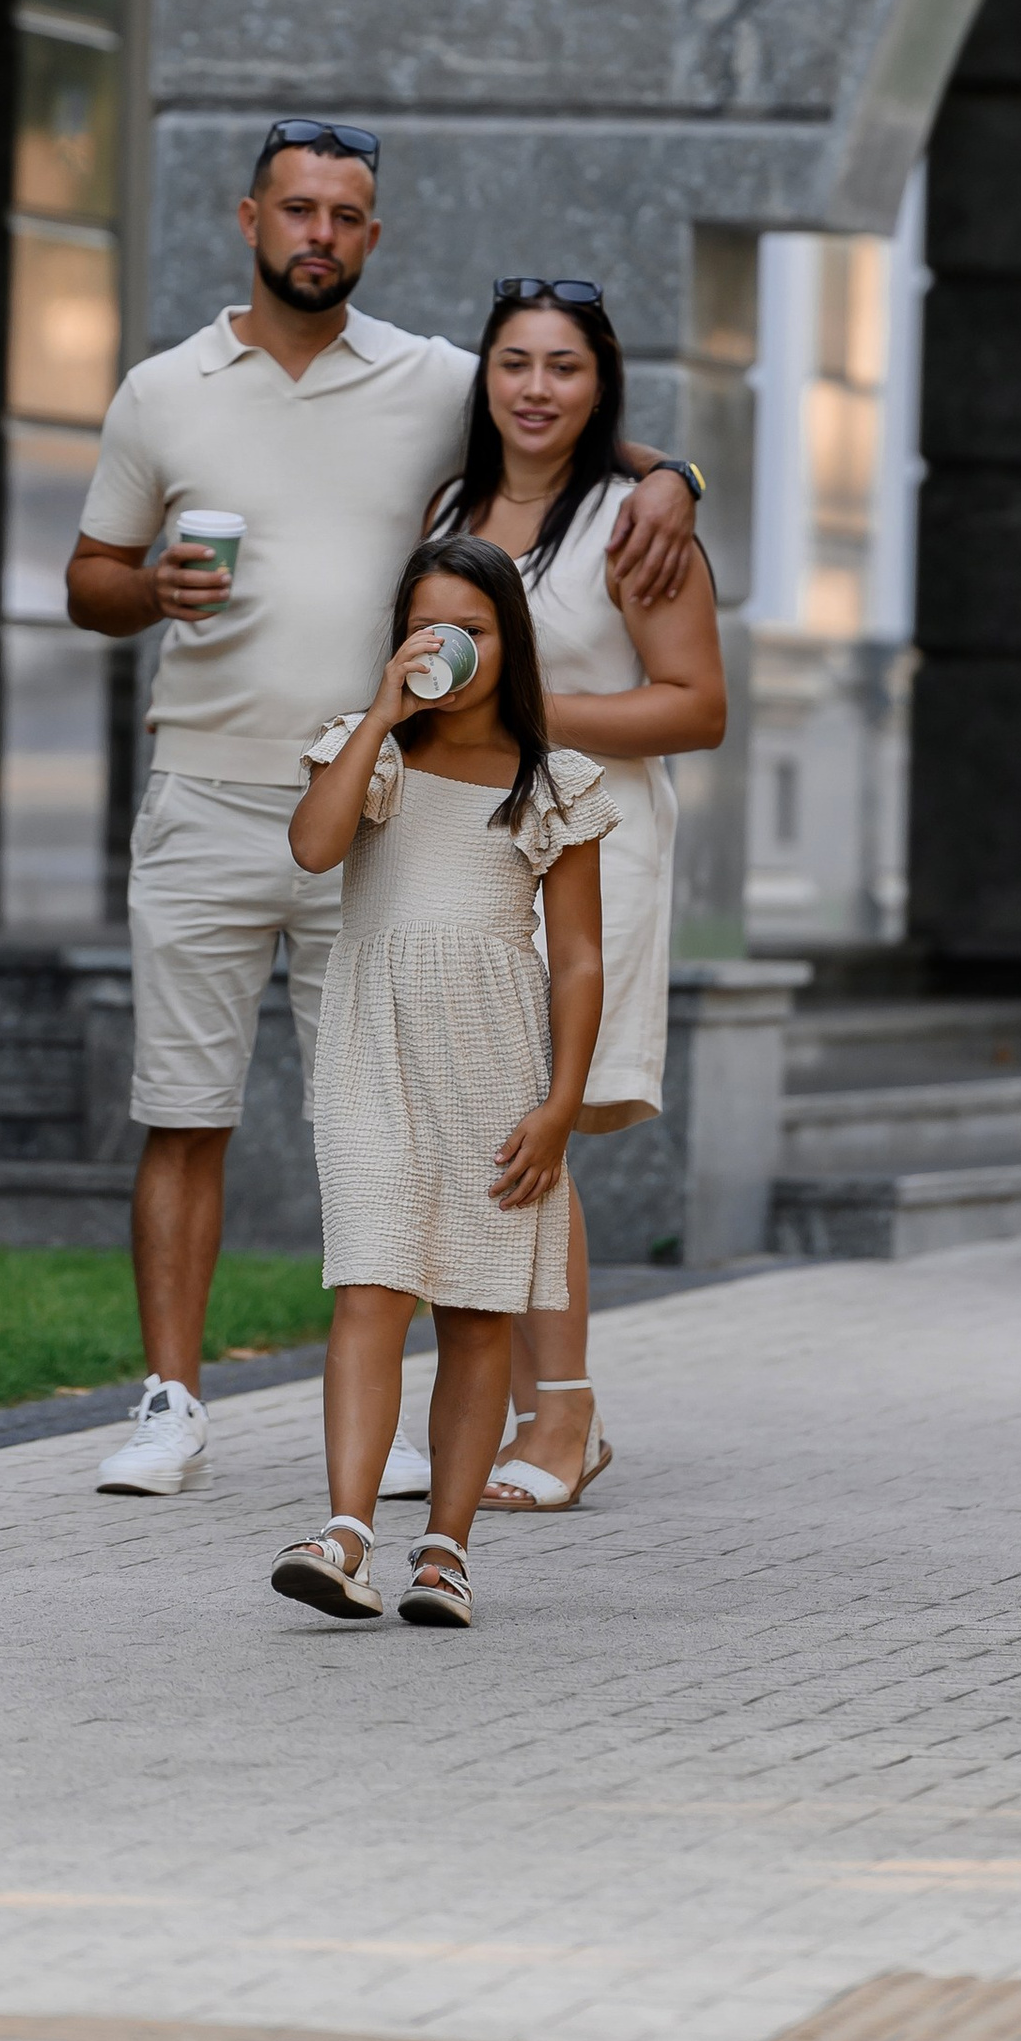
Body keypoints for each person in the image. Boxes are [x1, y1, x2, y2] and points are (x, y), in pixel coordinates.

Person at [65, 120, 706, 1497]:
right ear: (249, 219)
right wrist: (149, 592)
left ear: (374, 235)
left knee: (410, 1113)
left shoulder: (436, 380)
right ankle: (170, 1401)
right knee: (185, 1108)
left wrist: (677, 476)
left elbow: (576, 419)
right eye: (298, 210)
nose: (321, 235)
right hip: (208, 787)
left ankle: (410, 1422)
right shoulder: (163, 389)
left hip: (391, 816)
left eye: (347, 216)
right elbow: (87, 579)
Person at [270, 537, 611, 1626]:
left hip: (494, 1063)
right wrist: (378, 710)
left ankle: (445, 1551)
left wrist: (559, 1105)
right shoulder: (365, 756)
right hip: (374, 1052)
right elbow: (313, 850)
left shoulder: (549, 781)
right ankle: (344, 1532)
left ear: (510, 641)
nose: (450, 648)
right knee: (368, 1284)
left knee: (472, 1312)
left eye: (474, 627)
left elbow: (581, 958)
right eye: (428, 628)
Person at [433, 279, 728, 1511]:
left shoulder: (634, 522)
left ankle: (561, 1419)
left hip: (590, 849)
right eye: (515, 362)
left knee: (530, 1128)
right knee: (480, 1126)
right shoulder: (451, 504)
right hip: (459, 851)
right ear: (485, 376)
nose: (537, 387)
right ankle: (518, 1412)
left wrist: (525, 718)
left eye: (564, 365)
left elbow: (696, 706)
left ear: (599, 383)